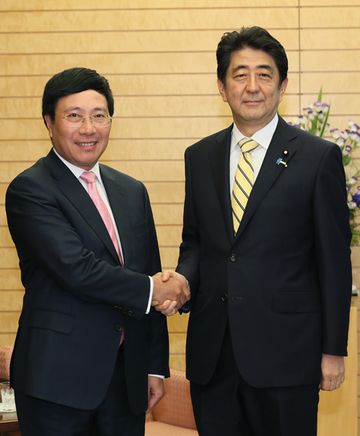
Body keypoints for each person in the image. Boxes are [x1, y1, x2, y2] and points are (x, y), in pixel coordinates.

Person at [164, 26, 352, 436]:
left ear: (282, 85)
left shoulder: (318, 158)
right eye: (240, 74)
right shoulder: (200, 156)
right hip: (213, 356)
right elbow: (196, 242)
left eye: (264, 74)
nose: (252, 86)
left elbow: (334, 261)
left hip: (288, 356)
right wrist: (182, 279)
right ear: (221, 85)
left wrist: (333, 350)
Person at [5, 67, 190, 436]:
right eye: (74, 116)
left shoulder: (131, 191)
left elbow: (148, 268)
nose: (88, 128)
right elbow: (77, 269)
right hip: (56, 382)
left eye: (99, 115)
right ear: (49, 122)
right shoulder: (30, 189)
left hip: (126, 380)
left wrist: (154, 366)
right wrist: (156, 291)